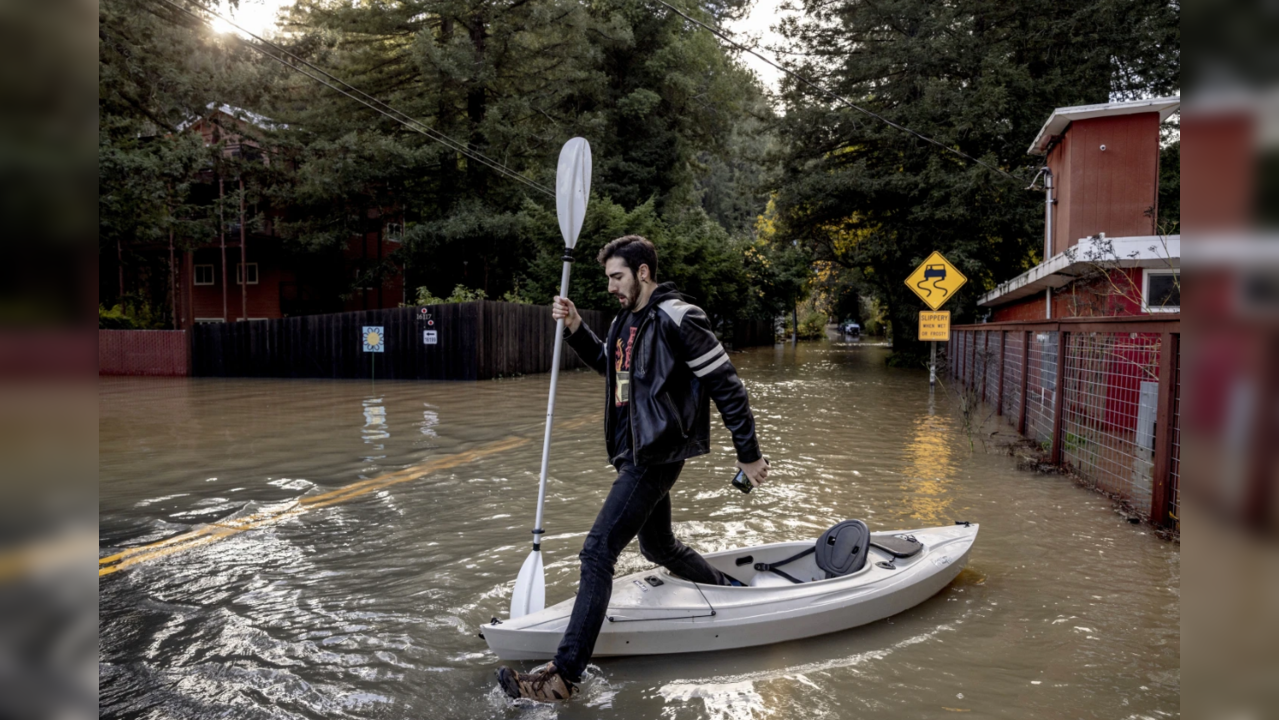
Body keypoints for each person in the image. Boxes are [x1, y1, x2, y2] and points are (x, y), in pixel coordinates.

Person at [497, 235, 769, 702]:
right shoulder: (626, 322)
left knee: (597, 551)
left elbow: (728, 387)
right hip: (634, 453)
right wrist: (578, 326)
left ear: (643, 272)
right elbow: (612, 368)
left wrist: (748, 453)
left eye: (617, 276)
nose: (610, 287)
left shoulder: (680, 318)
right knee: (659, 545)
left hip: (657, 455)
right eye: (608, 278)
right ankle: (728, 588)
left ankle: (563, 676)